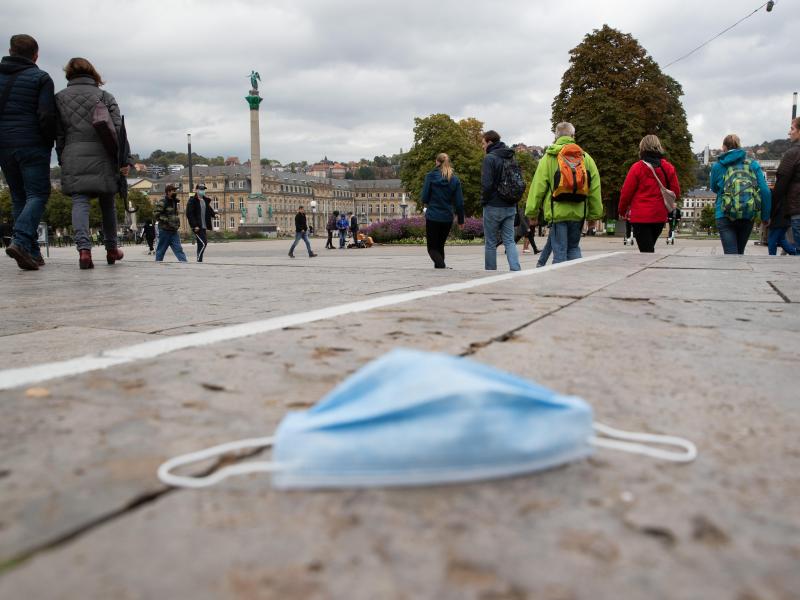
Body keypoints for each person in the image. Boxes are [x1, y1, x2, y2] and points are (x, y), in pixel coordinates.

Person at [55, 57, 130, 269]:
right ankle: (112, 249)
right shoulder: (105, 96)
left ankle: (84, 251)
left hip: (73, 152)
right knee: (107, 203)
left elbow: (58, 134)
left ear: (69, 74)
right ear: (93, 74)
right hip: (103, 155)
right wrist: (125, 160)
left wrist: (63, 156)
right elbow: (119, 131)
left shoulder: (59, 98)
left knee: (79, 202)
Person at [0, 34, 56, 270]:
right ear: (36, 55)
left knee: (18, 197)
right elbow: (46, 114)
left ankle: (32, 253)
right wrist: (48, 142)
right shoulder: (41, 78)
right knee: (38, 194)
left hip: (3, 145)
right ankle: (21, 241)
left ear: (11, 51)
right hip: (31, 142)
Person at [525, 122, 602, 263]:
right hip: (578, 213)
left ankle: (559, 283)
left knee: (559, 251)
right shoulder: (586, 158)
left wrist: (532, 213)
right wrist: (593, 216)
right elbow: (595, 188)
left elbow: (537, 187)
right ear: (573, 136)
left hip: (557, 213)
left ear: (556, 136)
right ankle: (576, 280)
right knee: (573, 248)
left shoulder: (548, 158)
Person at [618, 135, 682, 253]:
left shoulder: (637, 168)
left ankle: (649, 270)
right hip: (659, 216)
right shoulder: (668, 168)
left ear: (642, 148)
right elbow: (676, 192)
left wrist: (622, 211)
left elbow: (626, 193)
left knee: (646, 251)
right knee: (648, 248)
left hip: (640, 217)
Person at [709, 134, 771, 255]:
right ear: (739, 147)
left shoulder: (717, 166)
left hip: (724, 213)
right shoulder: (753, 165)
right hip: (747, 214)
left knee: (731, 255)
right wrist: (765, 216)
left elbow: (714, 188)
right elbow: (765, 191)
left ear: (724, 147)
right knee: (739, 253)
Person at [480, 130, 521, 271]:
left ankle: (490, 272)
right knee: (509, 240)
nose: (482, 146)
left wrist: (484, 201)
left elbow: (487, 185)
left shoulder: (489, 158)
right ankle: (515, 269)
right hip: (510, 205)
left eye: (483, 143)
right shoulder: (510, 156)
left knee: (490, 242)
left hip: (493, 205)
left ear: (490, 142)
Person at [421, 152, 465, 268]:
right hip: (447, 217)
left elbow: (424, 197)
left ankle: (441, 266)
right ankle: (440, 270)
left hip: (433, 216)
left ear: (437, 162)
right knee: (440, 245)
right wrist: (461, 220)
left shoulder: (430, 176)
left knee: (432, 248)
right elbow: (459, 203)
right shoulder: (455, 180)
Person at [769, 117, 800, 256]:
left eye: (792, 129)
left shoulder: (793, 153)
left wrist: (771, 211)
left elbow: (781, 184)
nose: (789, 132)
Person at [154, 183, 187, 262]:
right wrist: (167, 220)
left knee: (179, 249)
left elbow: (174, 215)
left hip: (173, 231)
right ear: (168, 192)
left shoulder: (174, 202)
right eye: (173, 191)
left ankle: (185, 264)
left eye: (175, 191)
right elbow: (156, 214)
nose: (175, 192)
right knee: (161, 250)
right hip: (165, 230)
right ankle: (158, 264)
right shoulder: (163, 202)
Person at [186, 183, 215, 262]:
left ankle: (200, 261)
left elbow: (209, 210)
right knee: (203, 243)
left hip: (204, 226)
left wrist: (214, 214)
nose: (202, 191)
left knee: (200, 244)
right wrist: (194, 225)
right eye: (201, 189)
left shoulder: (205, 200)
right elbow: (189, 214)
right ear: (196, 190)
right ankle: (199, 260)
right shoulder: (192, 200)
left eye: (203, 189)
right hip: (197, 227)